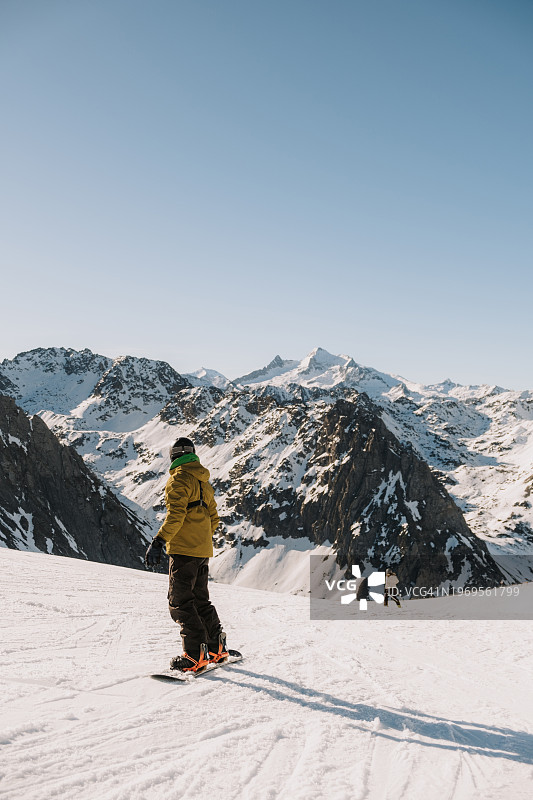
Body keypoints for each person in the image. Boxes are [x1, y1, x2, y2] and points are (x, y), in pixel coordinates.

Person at [144, 437, 228, 673]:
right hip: (202, 551)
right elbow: (214, 519)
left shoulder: (179, 478)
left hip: (183, 550)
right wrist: (201, 539)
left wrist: (159, 541)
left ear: (173, 456)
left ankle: (194, 656)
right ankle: (216, 648)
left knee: (180, 602)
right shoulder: (203, 482)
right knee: (201, 601)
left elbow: (176, 515)